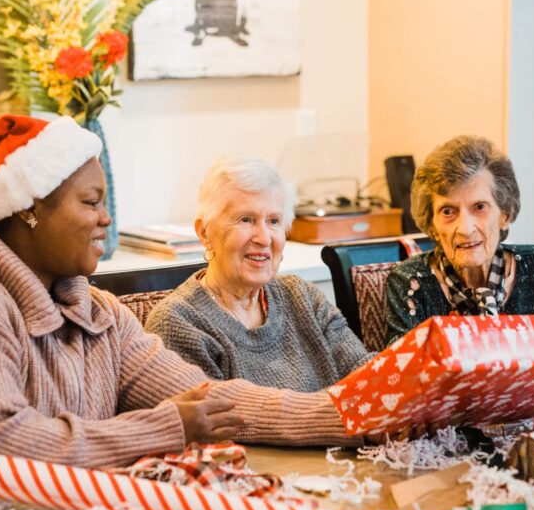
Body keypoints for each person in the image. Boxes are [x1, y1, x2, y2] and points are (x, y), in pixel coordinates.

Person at [0, 116, 357, 510]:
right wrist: (169, 425)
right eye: (90, 202)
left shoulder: (97, 310)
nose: (106, 217)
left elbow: (212, 399)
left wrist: (362, 414)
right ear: (27, 207)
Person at [146, 157, 371, 391]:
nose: (264, 238)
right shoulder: (178, 324)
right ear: (204, 232)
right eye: (246, 220)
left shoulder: (303, 297)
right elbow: (223, 423)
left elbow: (368, 375)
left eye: (273, 221)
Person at [384, 135, 534, 346]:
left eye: (479, 207)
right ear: (432, 225)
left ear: (505, 214)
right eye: (448, 211)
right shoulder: (410, 282)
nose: (465, 228)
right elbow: (403, 374)